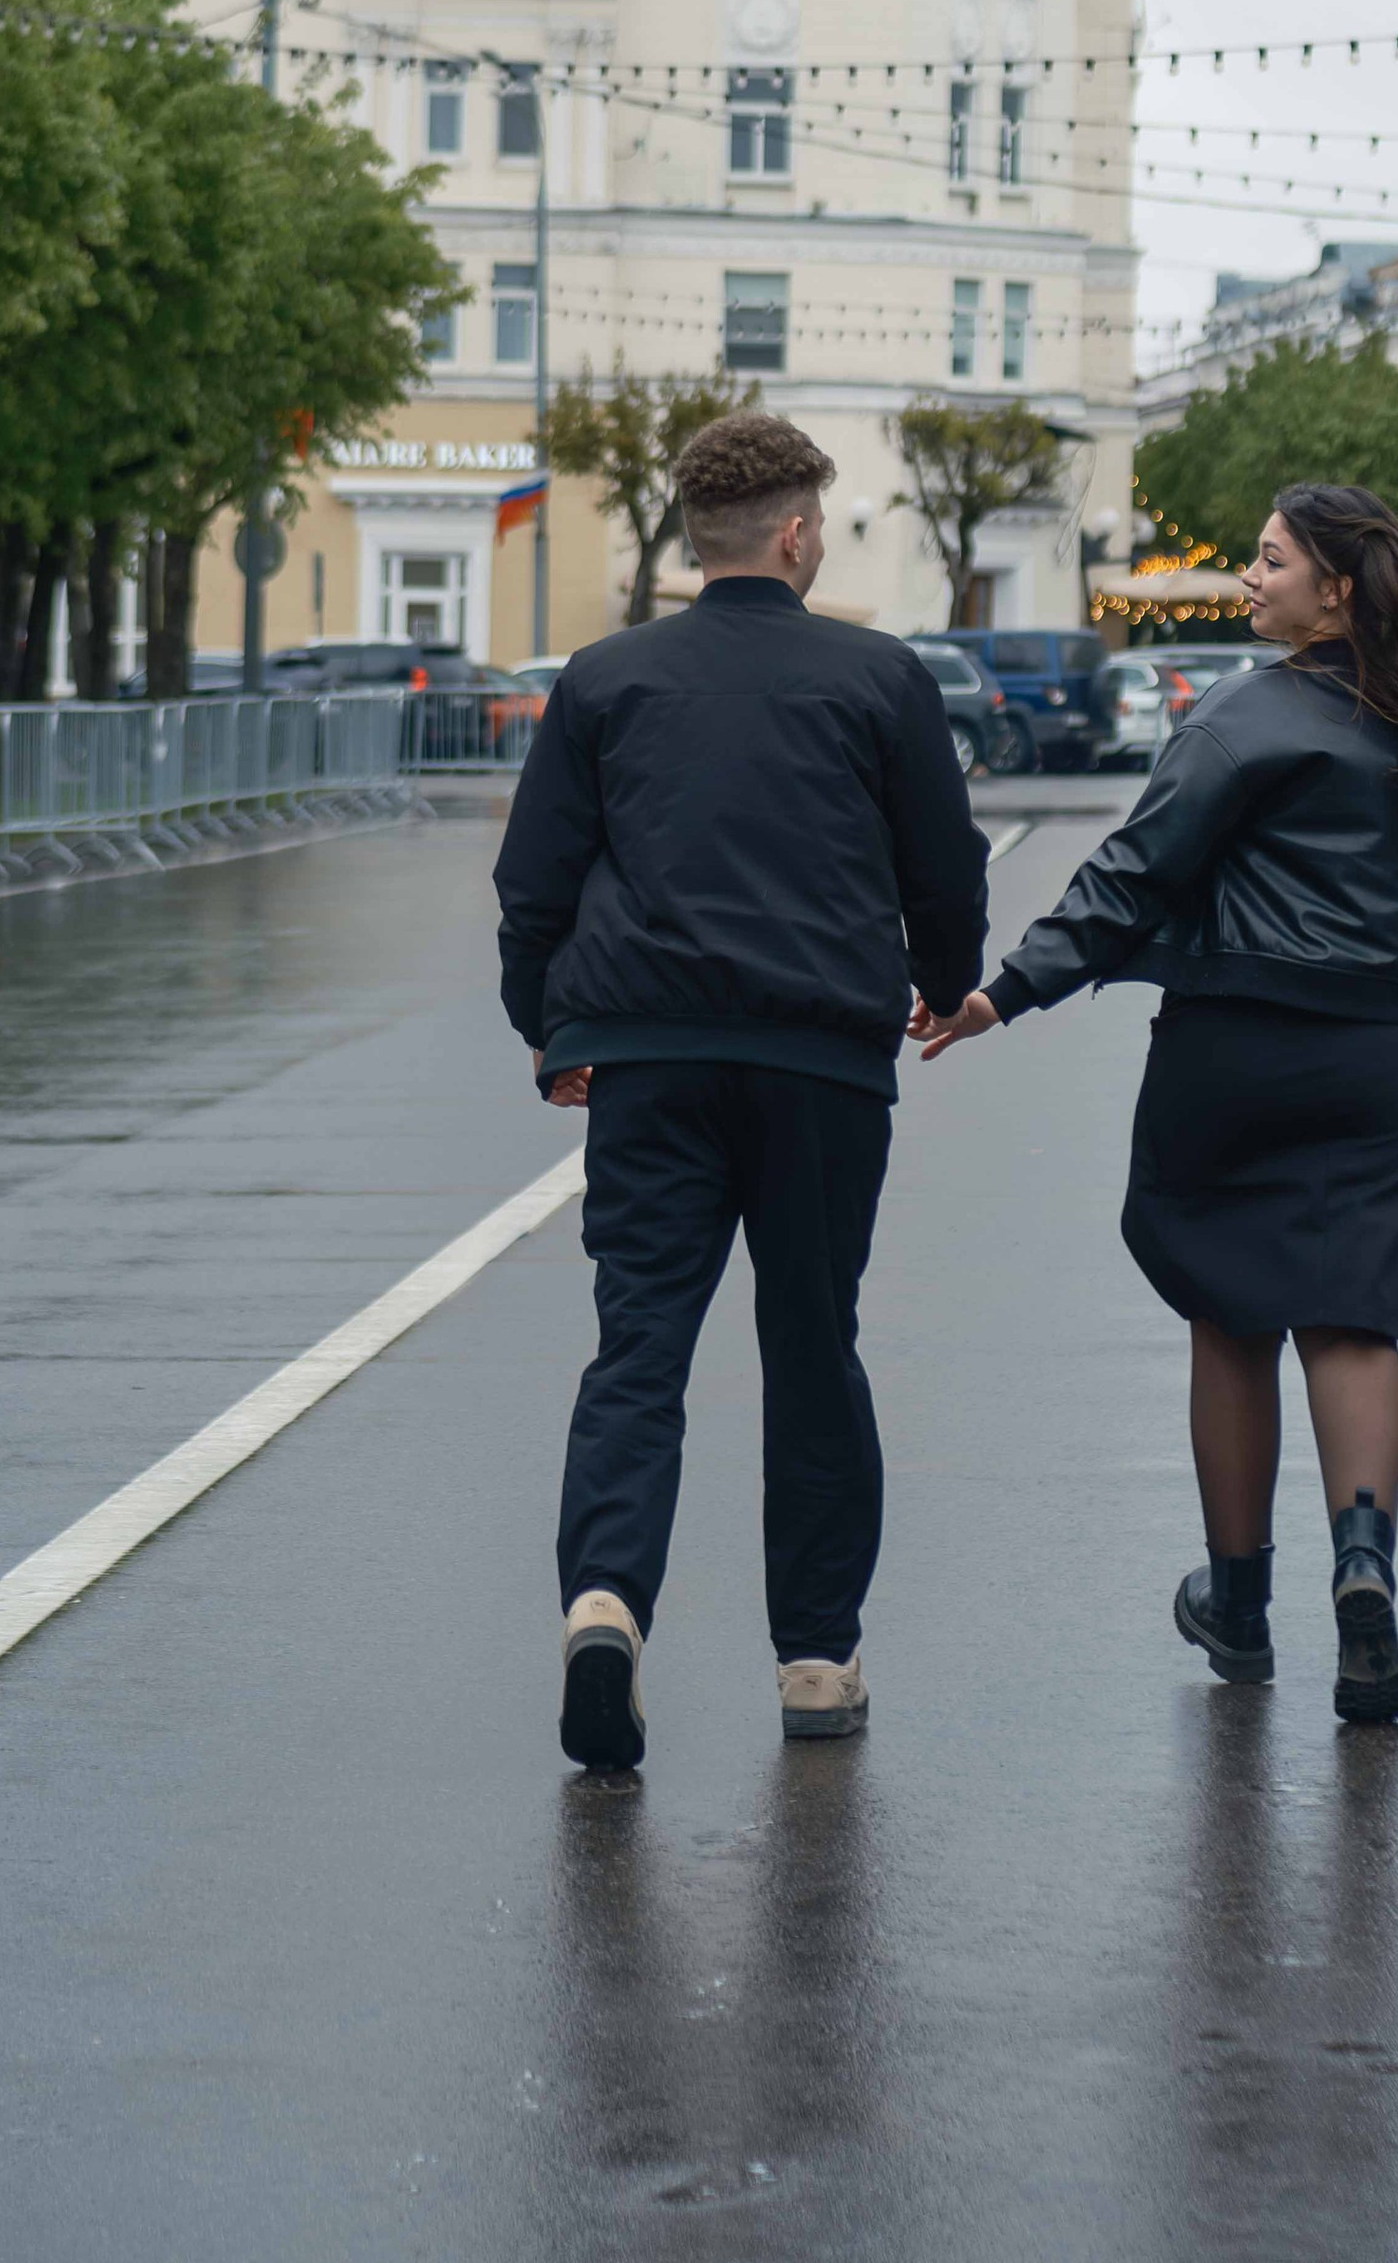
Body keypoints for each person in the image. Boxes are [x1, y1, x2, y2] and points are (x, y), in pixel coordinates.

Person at [914, 482, 1398, 1723]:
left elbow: (1132, 872)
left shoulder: (1241, 718)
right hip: (1383, 1056)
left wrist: (1005, 991)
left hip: (1234, 1047)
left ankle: (1242, 1606)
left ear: (1336, 588)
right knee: (1353, 1319)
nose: (1247, 581)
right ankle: (1362, 1569)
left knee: (1231, 1317)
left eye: (1268, 563)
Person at [497, 408, 991, 1773]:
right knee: (812, 1347)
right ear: (793, 533)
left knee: (639, 1345)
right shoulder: (880, 677)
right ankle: (817, 1663)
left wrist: (554, 1026)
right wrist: (947, 982)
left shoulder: (603, 680)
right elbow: (943, 869)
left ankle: (605, 1603)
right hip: (821, 1062)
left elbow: (533, 882)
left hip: (648, 1058)